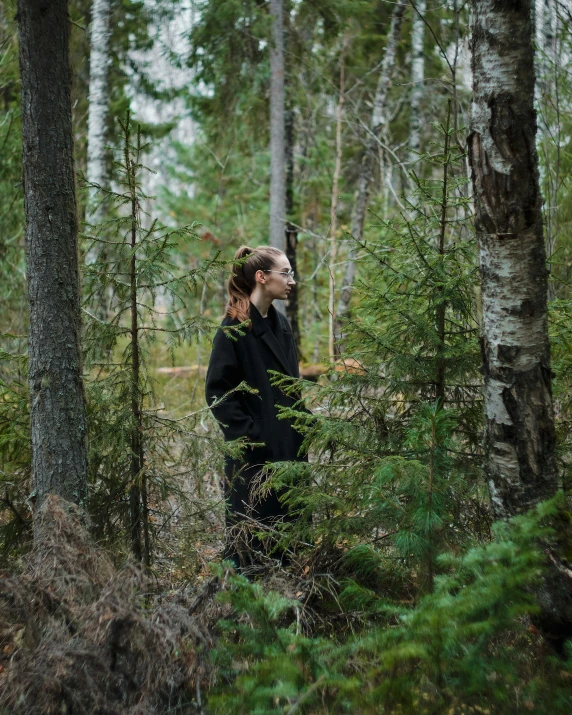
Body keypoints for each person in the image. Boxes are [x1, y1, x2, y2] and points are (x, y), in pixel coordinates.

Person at [205, 245, 305, 565]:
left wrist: (305, 425)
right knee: (252, 548)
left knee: (290, 544)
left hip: (289, 450)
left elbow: (292, 386)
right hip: (254, 459)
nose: (292, 280)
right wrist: (251, 436)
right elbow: (218, 393)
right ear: (262, 277)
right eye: (285, 273)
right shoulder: (232, 329)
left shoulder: (282, 326)